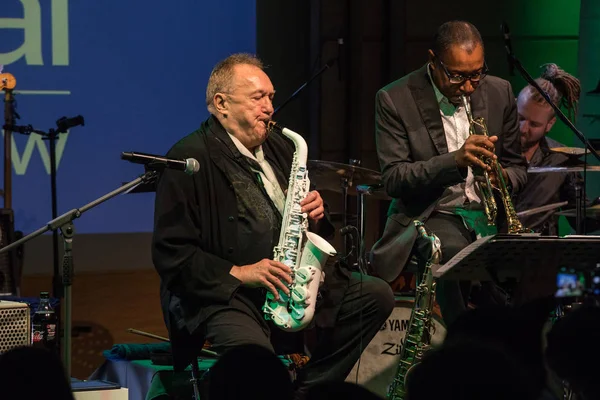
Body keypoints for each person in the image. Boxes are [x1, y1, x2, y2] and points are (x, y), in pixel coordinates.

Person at [151, 53, 395, 399]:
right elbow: (170, 253)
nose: (269, 108)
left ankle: (309, 391)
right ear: (221, 104)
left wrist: (317, 215)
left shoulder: (281, 147)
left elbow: (307, 226)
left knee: (375, 296)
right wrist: (240, 271)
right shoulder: (190, 159)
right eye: (257, 98)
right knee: (257, 365)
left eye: (270, 97)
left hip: (288, 280)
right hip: (228, 294)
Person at [371, 20, 527, 327]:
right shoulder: (395, 98)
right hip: (433, 212)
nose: (469, 86)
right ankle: (459, 344)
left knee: (533, 263)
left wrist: (502, 178)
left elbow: (519, 168)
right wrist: (454, 161)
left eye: (476, 74)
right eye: (457, 76)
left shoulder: (499, 91)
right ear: (433, 61)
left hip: (486, 214)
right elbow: (394, 179)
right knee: (455, 254)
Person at [514, 63, 599, 235]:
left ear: (549, 124)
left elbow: (581, 220)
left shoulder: (562, 159)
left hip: (542, 255)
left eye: (534, 124)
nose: (523, 129)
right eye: (520, 118)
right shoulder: (493, 148)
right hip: (494, 250)